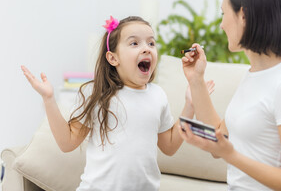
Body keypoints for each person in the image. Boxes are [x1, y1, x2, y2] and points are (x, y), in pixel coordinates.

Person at [21, 16, 214, 191]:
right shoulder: (96, 94)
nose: (146, 48)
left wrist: (191, 104)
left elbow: (170, 147)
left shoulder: (158, 95)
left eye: (151, 43)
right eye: (134, 43)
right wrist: (48, 99)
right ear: (113, 58)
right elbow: (66, 143)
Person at [178, 0, 281, 191]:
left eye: (224, 13)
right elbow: (219, 141)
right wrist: (196, 79)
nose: (222, 24)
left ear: (243, 15)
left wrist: (231, 154)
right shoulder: (254, 74)